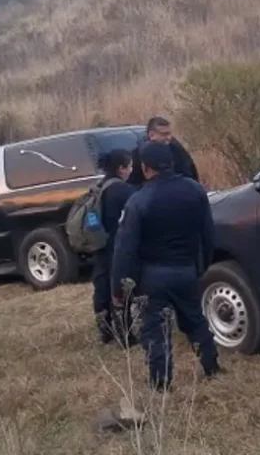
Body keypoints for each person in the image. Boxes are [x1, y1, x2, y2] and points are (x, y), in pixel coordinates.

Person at [111, 140, 221, 391]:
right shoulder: (195, 190)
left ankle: (161, 384)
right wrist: (201, 266)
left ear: (145, 167)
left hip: (153, 276)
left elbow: (124, 250)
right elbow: (208, 234)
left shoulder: (139, 201)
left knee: (155, 330)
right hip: (186, 270)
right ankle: (212, 366)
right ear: (170, 162)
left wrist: (119, 289)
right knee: (195, 321)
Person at [92, 149, 136, 346]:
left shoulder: (99, 186)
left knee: (102, 286)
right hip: (117, 245)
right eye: (130, 166)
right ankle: (125, 333)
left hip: (100, 243)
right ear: (121, 169)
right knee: (121, 287)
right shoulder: (123, 191)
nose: (132, 170)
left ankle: (105, 330)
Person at [127, 116, 199, 188]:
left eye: (169, 133)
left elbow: (189, 171)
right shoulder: (138, 154)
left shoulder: (175, 148)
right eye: (164, 134)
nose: (169, 138)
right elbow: (133, 183)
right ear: (151, 135)